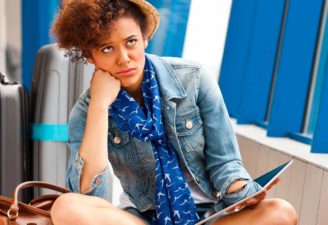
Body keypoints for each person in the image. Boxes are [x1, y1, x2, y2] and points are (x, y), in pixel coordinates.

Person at [50, 0, 298, 224]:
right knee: (67, 207)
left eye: (131, 42)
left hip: (211, 216)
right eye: (106, 48)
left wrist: (239, 188)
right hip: (142, 219)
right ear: (89, 56)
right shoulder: (86, 112)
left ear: (145, 38)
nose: (124, 58)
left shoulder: (195, 79)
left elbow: (225, 163)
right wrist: (100, 106)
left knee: (281, 212)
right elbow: (92, 197)